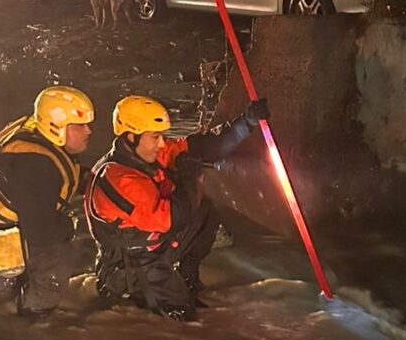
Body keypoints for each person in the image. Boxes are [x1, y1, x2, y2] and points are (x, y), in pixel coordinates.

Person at [84, 94, 268, 321]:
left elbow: (204, 146)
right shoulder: (121, 179)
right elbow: (175, 218)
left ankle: (188, 275)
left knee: (207, 211)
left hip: (152, 247)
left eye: (162, 136)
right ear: (131, 137)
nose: (162, 143)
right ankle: (132, 303)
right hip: (132, 267)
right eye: (156, 136)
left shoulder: (144, 153)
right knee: (185, 316)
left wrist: (245, 124)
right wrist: (188, 180)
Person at [0, 86, 95, 317]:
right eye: (79, 125)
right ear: (55, 126)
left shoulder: (39, 138)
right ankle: (32, 313)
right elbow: (40, 233)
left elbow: (64, 174)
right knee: (56, 254)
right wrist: (69, 225)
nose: (88, 130)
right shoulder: (36, 166)